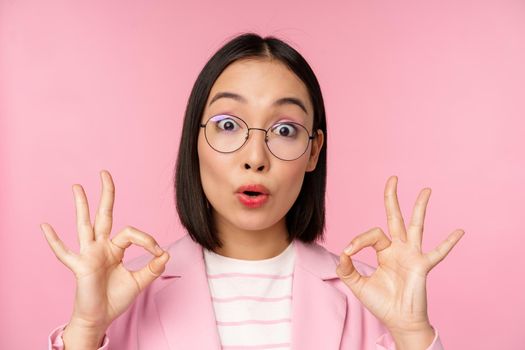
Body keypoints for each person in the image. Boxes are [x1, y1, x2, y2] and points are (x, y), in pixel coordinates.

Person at [42, 32, 464, 349]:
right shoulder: (126, 297)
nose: (255, 157)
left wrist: (413, 334)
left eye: (285, 129)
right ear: (195, 139)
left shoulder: (372, 301)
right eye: (228, 125)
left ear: (313, 151)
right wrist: (86, 329)